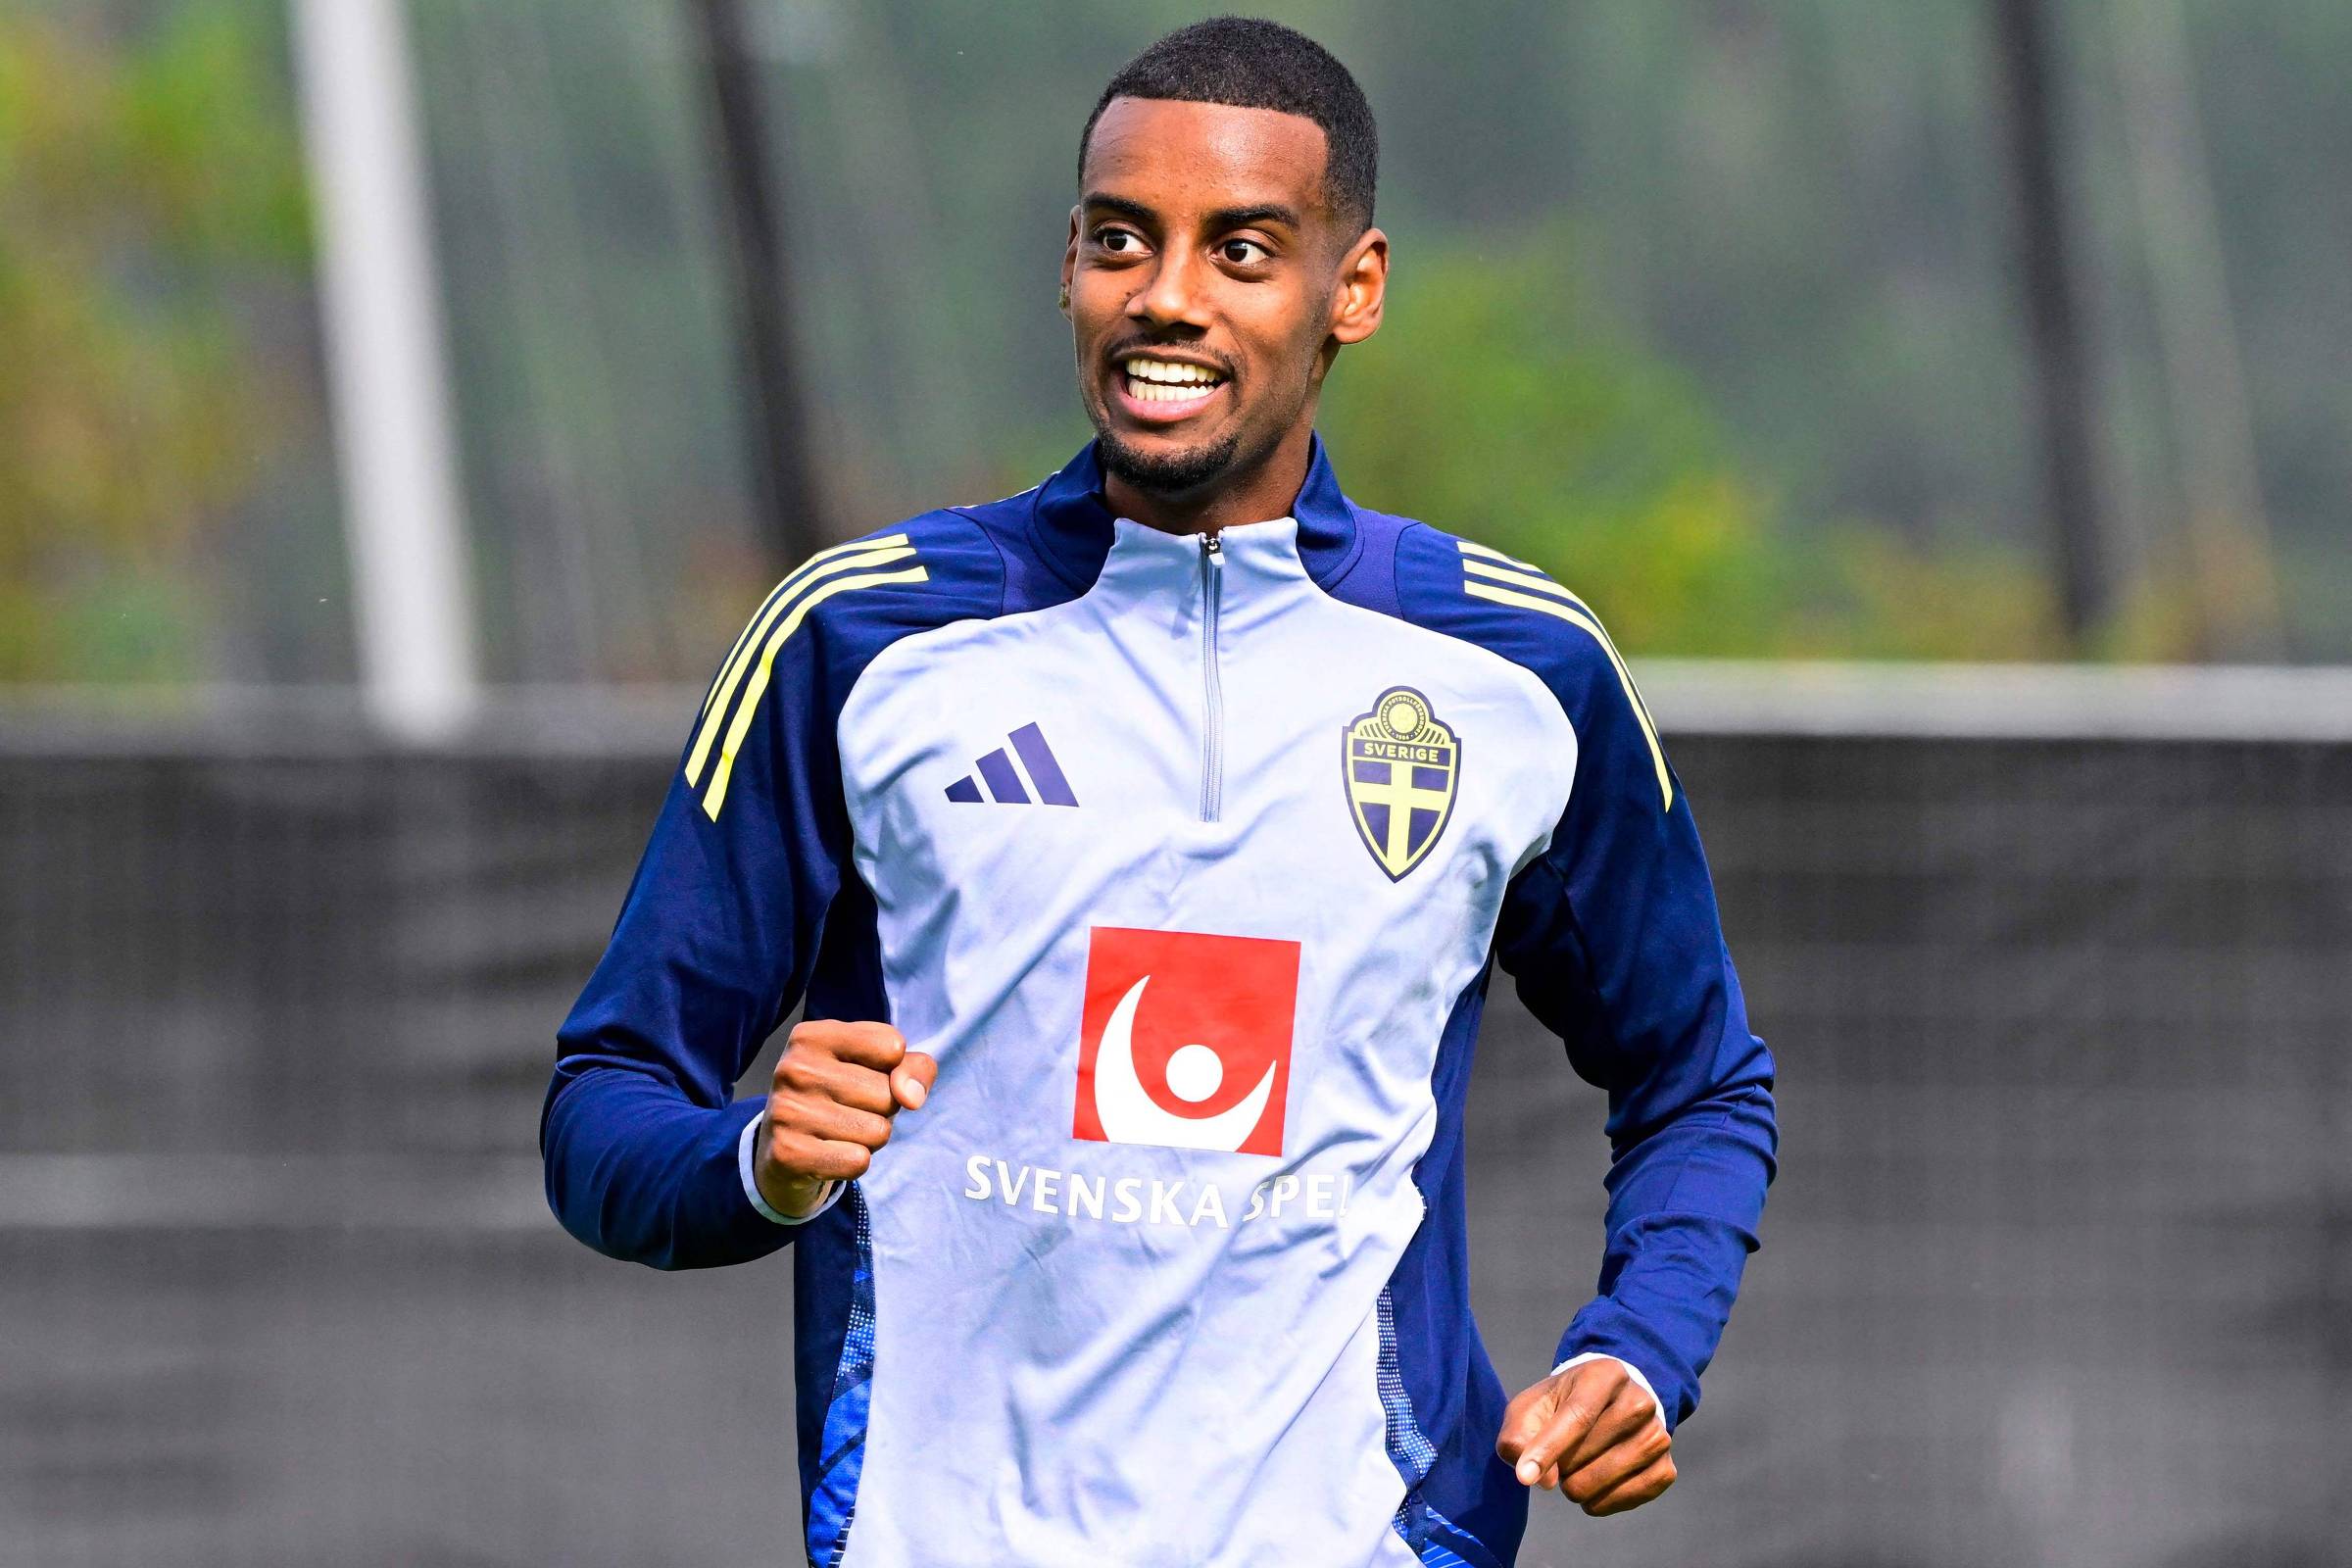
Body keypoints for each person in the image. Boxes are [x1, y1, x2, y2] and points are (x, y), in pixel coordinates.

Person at [539, 16, 1776, 1566]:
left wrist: (1640, 1349)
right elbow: (602, 1106)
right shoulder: (860, 640)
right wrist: (759, 1166)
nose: (1167, 296)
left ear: (1353, 290)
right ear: (1068, 265)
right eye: (1122, 240)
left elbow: (1699, 1082)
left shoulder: (1517, 673)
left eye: (1241, 250)